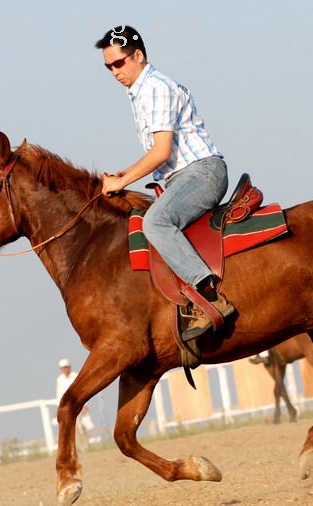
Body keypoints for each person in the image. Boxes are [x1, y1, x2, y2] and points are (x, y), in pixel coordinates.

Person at [95, 25, 235, 342]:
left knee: (156, 222)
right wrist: (123, 175)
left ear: (138, 56)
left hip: (201, 173)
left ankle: (209, 296)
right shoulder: (140, 92)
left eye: (119, 63)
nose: (114, 72)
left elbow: (160, 152)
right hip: (181, 176)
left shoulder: (155, 88)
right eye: (108, 67)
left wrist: (124, 180)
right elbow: (156, 155)